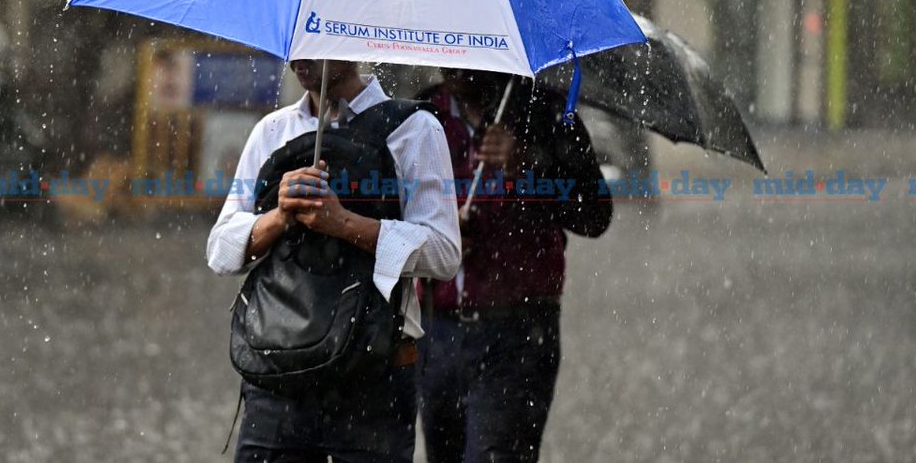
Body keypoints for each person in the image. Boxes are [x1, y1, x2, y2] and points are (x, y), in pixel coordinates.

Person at [207, 59, 462, 462]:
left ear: (350, 38)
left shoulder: (413, 130)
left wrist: (344, 223)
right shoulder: (272, 132)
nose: (299, 60)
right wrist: (278, 216)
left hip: (375, 376)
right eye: (297, 45)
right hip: (278, 377)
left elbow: (444, 253)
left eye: (316, 42)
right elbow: (220, 251)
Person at [416, 68, 612, 463]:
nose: (455, 67)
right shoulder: (423, 115)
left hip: (518, 333)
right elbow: (391, 212)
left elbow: (594, 213)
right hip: (437, 332)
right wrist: (436, 231)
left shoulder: (546, 111)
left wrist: (530, 164)